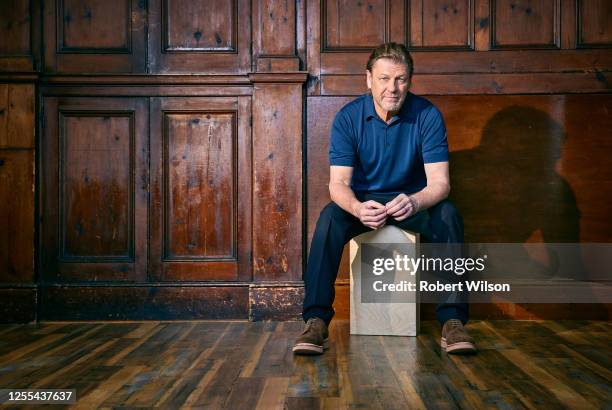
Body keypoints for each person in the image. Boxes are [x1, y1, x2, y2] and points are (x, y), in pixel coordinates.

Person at [293, 42, 476, 355]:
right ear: (368, 79)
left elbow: (441, 183)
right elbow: (338, 184)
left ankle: (453, 322)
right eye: (384, 78)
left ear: (409, 81)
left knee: (448, 215)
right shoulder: (348, 118)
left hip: (412, 200)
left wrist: (416, 201)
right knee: (328, 219)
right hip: (365, 202)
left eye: (401, 79)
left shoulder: (427, 115)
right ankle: (315, 321)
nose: (392, 88)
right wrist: (356, 207)